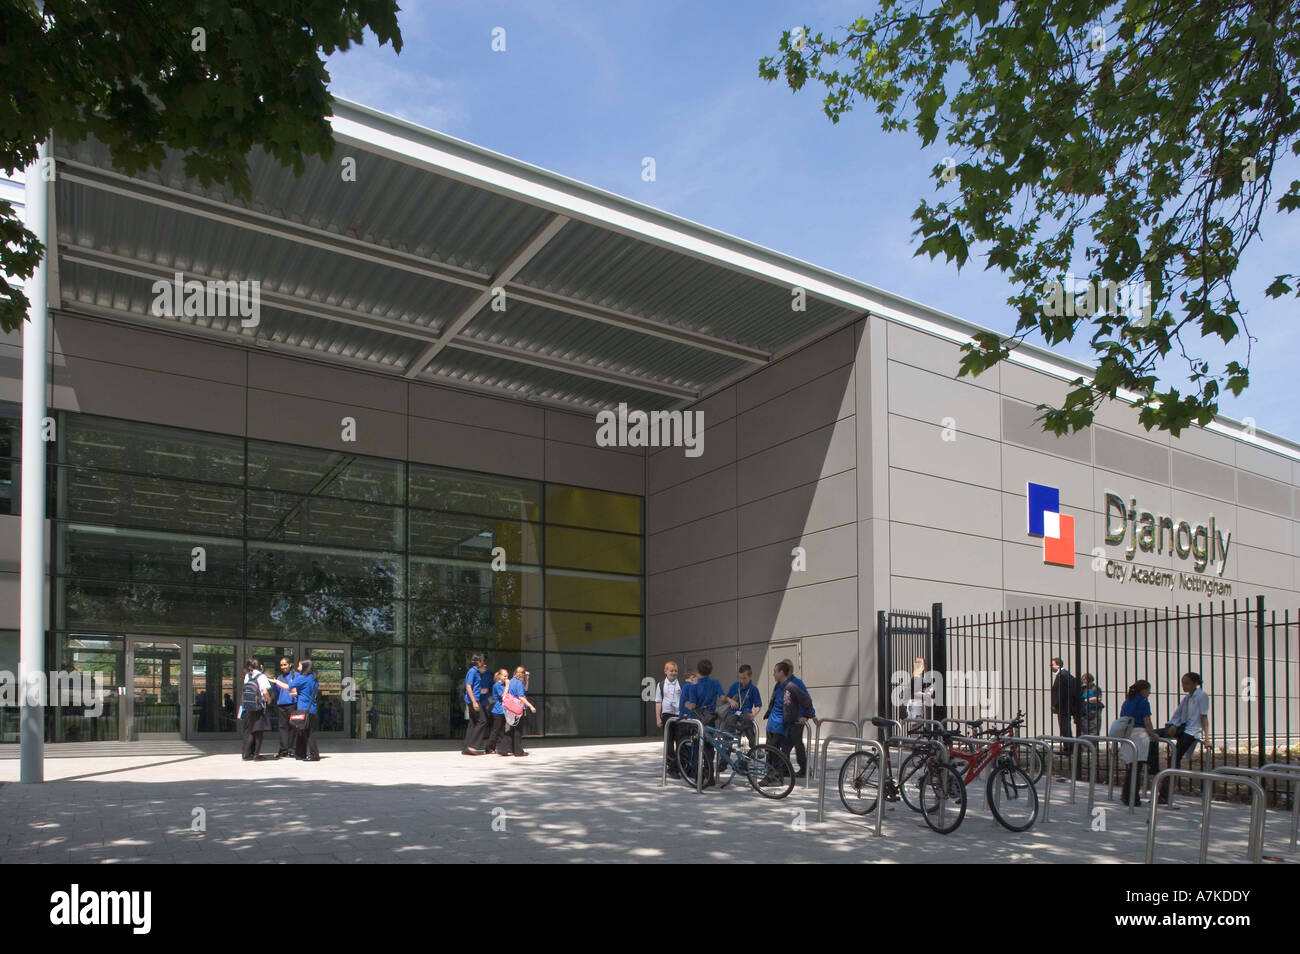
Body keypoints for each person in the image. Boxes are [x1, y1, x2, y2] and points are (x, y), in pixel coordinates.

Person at [1154, 672, 1211, 803]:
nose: (1184, 686)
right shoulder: (1187, 698)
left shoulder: (1201, 696)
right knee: (1153, 735)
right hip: (1182, 727)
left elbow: (1203, 717)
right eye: (1182, 683)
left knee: (1174, 758)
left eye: (1187, 683)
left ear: (1195, 683)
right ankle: (1152, 765)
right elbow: (1178, 714)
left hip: (1192, 731)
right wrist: (1173, 725)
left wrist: (1207, 738)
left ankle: (1165, 795)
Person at [762, 661, 814, 782]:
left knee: (788, 747)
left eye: (775, 671)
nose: (773, 674)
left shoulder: (793, 685)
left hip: (786, 722)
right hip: (773, 723)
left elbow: (806, 701)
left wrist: (807, 715)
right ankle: (776, 773)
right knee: (773, 749)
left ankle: (782, 774)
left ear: (782, 672)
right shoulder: (778, 685)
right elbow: (775, 701)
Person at [1117, 679, 1158, 807]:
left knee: (1131, 767)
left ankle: (1127, 795)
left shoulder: (1127, 702)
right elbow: (1147, 721)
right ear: (1143, 690)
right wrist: (1153, 734)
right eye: (1148, 690)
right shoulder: (1144, 702)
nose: (1149, 693)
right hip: (1139, 735)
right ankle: (1133, 797)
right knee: (1137, 768)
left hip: (1128, 734)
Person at [784, 661, 818, 778]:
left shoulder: (797, 683)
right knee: (786, 745)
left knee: (797, 744)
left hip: (798, 719)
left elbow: (806, 699)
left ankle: (804, 769)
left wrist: (811, 715)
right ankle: (786, 768)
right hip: (788, 719)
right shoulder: (783, 683)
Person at [237, 659, 273, 761]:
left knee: (249, 731)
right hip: (258, 707)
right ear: (261, 666)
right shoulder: (261, 676)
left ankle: (247, 754)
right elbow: (265, 691)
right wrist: (269, 700)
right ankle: (256, 754)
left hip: (248, 707)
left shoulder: (248, 676)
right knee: (258, 731)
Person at [721, 664, 762, 750]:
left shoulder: (753, 689)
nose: (742, 681)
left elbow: (758, 705)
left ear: (750, 676)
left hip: (745, 712)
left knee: (747, 721)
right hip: (734, 711)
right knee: (728, 723)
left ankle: (755, 748)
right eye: (740, 678)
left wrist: (754, 714)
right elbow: (725, 698)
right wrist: (730, 700)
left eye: (744, 678)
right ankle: (725, 753)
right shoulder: (735, 685)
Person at [499, 667, 536, 757]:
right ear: (522, 674)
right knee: (518, 730)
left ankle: (503, 748)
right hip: (518, 709)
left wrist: (527, 679)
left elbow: (525, 689)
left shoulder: (511, 681)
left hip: (510, 709)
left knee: (511, 729)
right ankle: (518, 751)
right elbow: (521, 696)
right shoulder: (519, 683)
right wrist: (531, 706)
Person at [655, 661, 683, 777]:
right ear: (665, 671)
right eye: (671, 670)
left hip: (678, 715)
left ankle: (681, 765)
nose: (673, 673)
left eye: (675, 670)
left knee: (680, 741)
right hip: (666, 715)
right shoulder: (661, 685)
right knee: (669, 742)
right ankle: (672, 768)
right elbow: (658, 702)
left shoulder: (681, 685)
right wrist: (658, 717)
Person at [1050, 657, 1080, 762]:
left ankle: (1068, 748)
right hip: (1066, 706)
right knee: (1066, 727)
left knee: (1065, 727)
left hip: (1063, 707)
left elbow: (1061, 693)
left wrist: (1055, 704)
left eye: (1052, 665)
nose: (1051, 667)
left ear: (1058, 665)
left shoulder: (1062, 676)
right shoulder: (1067, 675)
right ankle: (1068, 747)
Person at [461, 653, 490, 755]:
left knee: (473, 723)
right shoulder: (472, 672)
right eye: (482, 660)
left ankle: (466, 747)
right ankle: (472, 745)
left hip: (474, 700)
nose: (483, 662)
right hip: (474, 701)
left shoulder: (477, 672)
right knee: (482, 721)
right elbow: (469, 686)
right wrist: (474, 701)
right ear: (478, 662)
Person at [272, 656, 299, 758]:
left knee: (293, 727)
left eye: (285, 664)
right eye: (281, 665)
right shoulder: (279, 677)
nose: (283, 667)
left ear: (290, 664)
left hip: (293, 704)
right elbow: (276, 692)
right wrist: (274, 683)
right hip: (281, 705)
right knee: (282, 727)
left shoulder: (296, 675)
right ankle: (283, 749)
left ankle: (292, 749)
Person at [904, 656, 934, 729]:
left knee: (918, 727)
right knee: (917, 727)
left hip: (916, 707)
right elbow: (914, 693)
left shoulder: (919, 679)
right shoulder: (915, 679)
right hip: (915, 707)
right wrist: (925, 694)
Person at [485, 668, 509, 755]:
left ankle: (500, 747)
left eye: (507, 676)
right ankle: (489, 747)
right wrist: (507, 685)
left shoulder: (502, 685)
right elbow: (503, 696)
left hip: (503, 710)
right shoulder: (497, 685)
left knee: (502, 730)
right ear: (500, 676)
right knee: (496, 730)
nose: (506, 678)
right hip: (497, 710)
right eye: (505, 676)